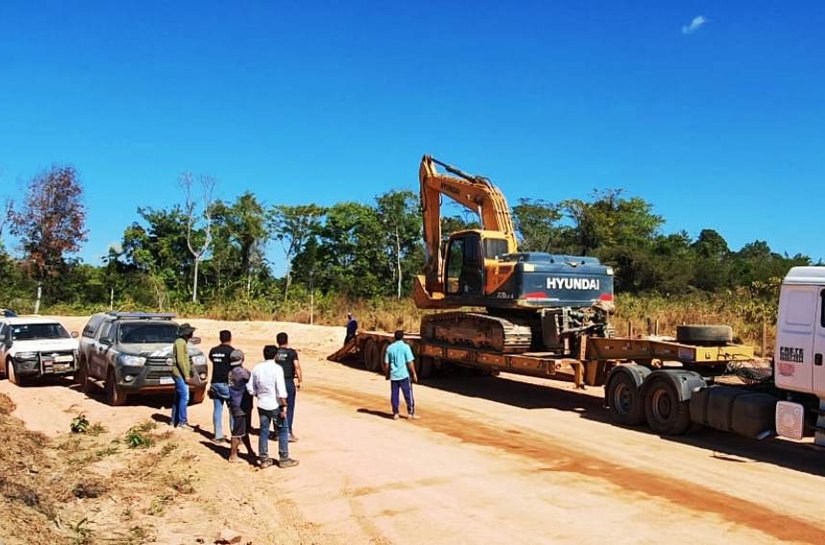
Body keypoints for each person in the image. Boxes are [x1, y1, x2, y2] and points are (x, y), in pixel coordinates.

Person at [247, 345, 299, 469]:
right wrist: (284, 405)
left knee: (264, 431)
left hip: (262, 404)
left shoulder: (257, 368)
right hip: (275, 404)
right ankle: (284, 458)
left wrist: (258, 395)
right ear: (275, 355)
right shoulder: (277, 369)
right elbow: (281, 390)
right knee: (282, 430)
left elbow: (250, 388)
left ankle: (264, 459)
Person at [227, 349, 256, 463]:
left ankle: (250, 451)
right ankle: (233, 456)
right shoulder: (241, 372)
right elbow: (251, 378)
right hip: (241, 405)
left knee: (244, 430)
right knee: (238, 431)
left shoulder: (231, 371)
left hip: (237, 403)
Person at [383, 330, 419, 420]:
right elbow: (410, 362)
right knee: (408, 394)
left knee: (394, 395)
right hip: (404, 375)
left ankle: (395, 413)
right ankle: (410, 413)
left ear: (394, 337)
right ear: (403, 337)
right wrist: (414, 374)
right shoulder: (406, 347)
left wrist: (387, 375)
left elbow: (387, 364)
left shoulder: (389, 348)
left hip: (394, 376)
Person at [274, 332, 303, 442]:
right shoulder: (291, 353)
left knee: (277, 406)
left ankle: (277, 432)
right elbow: (297, 366)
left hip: (277, 382)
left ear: (277, 341)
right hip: (288, 381)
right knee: (289, 407)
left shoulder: (274, 352)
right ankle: (288, 432)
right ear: (287, 341)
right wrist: (300, 380)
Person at [208, 329, 235, 444]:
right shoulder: (232, 351)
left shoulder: (213, 351)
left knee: (217, 410)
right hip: (227, 384)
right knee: (233, 411)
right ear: (230, 338)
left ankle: (218, 435)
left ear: (220, 338)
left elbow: (212, 360)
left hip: (215, 383)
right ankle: (235, 436)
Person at [171, 323, 196, 430]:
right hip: (180, 374)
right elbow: (181, 360)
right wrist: (186, 375)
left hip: (179, 373)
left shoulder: (182, 342)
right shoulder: (180, 343)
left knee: (178, 397)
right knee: (185, 397)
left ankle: (174, 420)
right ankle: (182, 422)